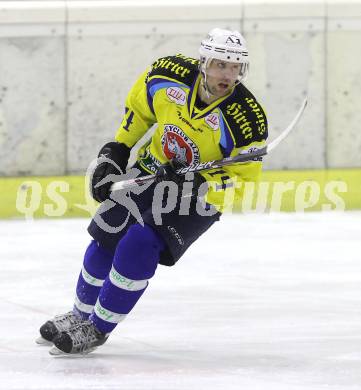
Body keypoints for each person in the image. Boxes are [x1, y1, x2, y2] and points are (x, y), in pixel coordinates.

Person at [37, 28, 268, 355]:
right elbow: (139, 109)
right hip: (153, 168)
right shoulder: (167, 73)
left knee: (140, 242)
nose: (228, 75)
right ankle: (79, 314)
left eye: (235, 68)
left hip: (200, 197)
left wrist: (200, 184)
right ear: (203, 62)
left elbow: (243, 180)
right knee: (107, 234)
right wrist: (117, 149)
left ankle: (98, 327)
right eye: (220, 65)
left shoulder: (245, 119)